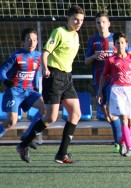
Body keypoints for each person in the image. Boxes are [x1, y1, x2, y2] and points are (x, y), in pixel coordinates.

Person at [16, 5, 85, 163]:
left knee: (76, 114)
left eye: (81, 20)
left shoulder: (76, 35)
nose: (78, 22)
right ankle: (23, 144)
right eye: (76, 19)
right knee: (50, 117)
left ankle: (61, 154)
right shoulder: (59, 32)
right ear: (68, 18)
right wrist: (46, 69)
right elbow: (46, 53)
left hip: (67, 78)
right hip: (53, 76)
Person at [97, 32, 131, 157]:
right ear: (115, 45)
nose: (120, 45)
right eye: (118, 42)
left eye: (122, 42)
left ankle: (123, 141)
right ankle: (130, 148)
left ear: (126, 44)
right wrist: (99, 92)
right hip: (117, 90)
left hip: (130, 90)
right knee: (123, 118)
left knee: (130, 121)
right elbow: (103, 76)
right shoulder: (111, 60)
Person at [0, 28, 45, 150]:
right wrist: (5, 81)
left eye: (34, 40)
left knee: (45, 108)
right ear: (22, 42)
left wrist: (35, 86)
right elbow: (2, 70)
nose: (32, 42)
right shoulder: (16, 56)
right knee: (10, 121)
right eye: (29, 40)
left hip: (28, 91)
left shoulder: (39, 56)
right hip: (14, 91)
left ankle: (26, 136)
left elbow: (35, 72)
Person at [85, 11, 122, 153]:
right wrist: (95, 55)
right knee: (105, 112)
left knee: (113, 112)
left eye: (103, 22)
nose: (101, 25)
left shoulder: (116, 39)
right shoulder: (93, 40)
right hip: (98, 80)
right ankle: (123, 134)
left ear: (108, 24)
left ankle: (119, 142)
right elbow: (86, 61)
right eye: (98, 23)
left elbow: (127, 55)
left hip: (114, 81)